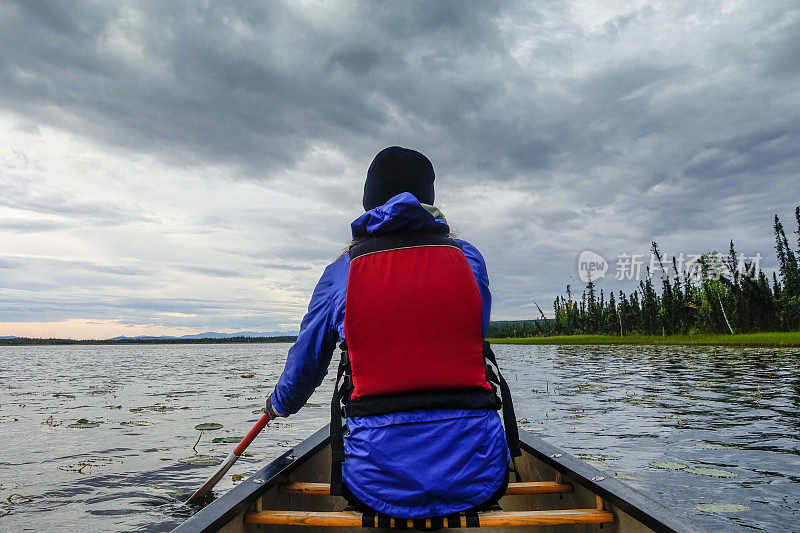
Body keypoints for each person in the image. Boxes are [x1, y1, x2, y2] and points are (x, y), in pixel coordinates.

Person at [265, 146, 519, 520]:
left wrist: (279, 405)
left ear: (368, 202)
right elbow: (471, 331)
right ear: (428, 199)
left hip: (375, 478)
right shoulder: (468, 258)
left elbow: (307, 365)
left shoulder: (341, 271)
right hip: (476, 472)